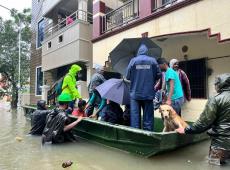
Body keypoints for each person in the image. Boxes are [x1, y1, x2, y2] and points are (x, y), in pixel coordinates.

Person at [176, 73, 230, 165]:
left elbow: (203, 123)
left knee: (214, 165)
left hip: (221, 144)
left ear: (220, 84)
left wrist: (186, 130)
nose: (215, 87)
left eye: (216, 84)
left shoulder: (216, 99)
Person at [126, 43, 161, 131]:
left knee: (135, 118)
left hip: (135, 94)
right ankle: (148, 136)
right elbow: (159, 75)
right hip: (148, 94)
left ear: (138, 52)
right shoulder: (153, 61)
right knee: (148, 118)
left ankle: (136, 136)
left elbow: (127, 76)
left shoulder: (133, 61)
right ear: (146, 51)